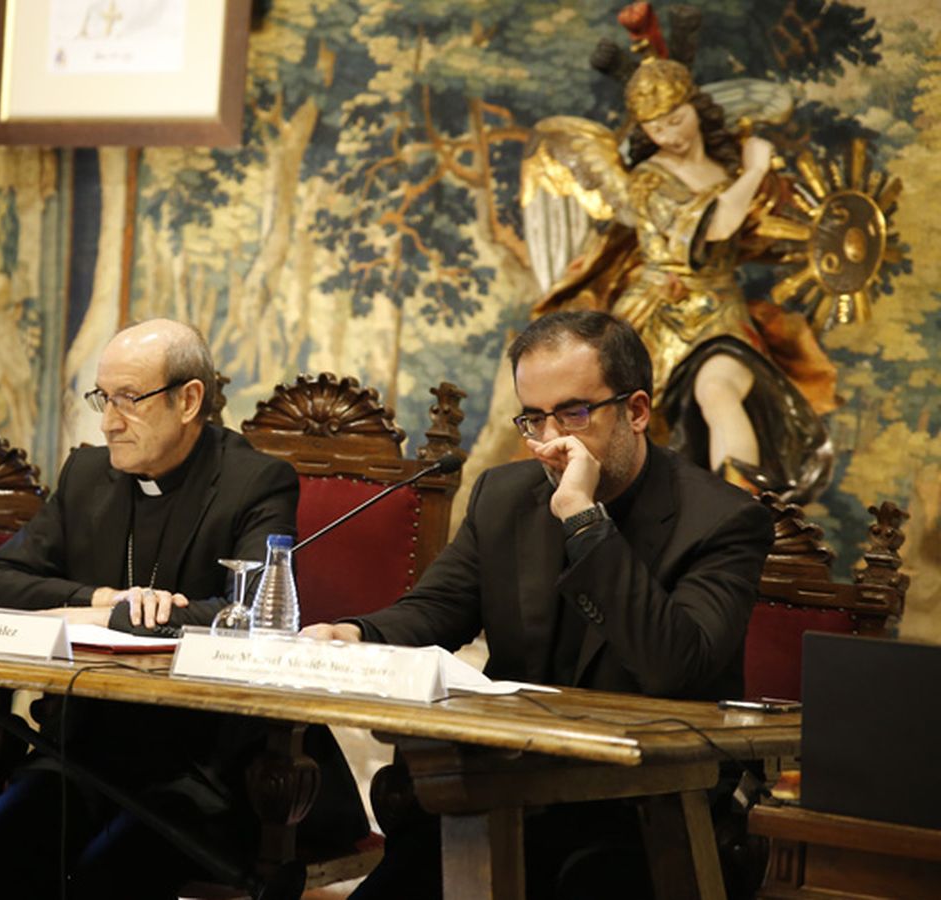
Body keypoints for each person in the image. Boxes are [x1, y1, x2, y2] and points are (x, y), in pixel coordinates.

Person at [302, 310, 773, 897]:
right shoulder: (505, 496)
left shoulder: (723, 521)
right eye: (534, 419)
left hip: (645, 810)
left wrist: (584, 519)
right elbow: (437, 610)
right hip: (506, 787)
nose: (550, 442)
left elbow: (675, 665)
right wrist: (356, 635)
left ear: (636, 411)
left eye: (574, 413)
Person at [0, 319, 368, 899]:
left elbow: (251, 617)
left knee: (110, 874)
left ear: (189, 400)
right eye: (103, 398)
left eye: (129, 399)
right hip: (89, 749)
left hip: (210, 767)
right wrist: (102, 602)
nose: (108, 421)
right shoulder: (88, 475)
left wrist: (125, 618)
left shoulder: (254, 482)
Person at [531, 56, 836, 500]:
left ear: (696, 107)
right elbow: (714, 227)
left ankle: (738, 511)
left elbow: (760, 232)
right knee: (625, 426)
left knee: (718, 389)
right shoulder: (649, 181)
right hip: (657, 317)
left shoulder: (727, 171)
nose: (671, 136)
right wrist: (754, 171)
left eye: (677, 119)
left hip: (721, 314)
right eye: (657, 128)